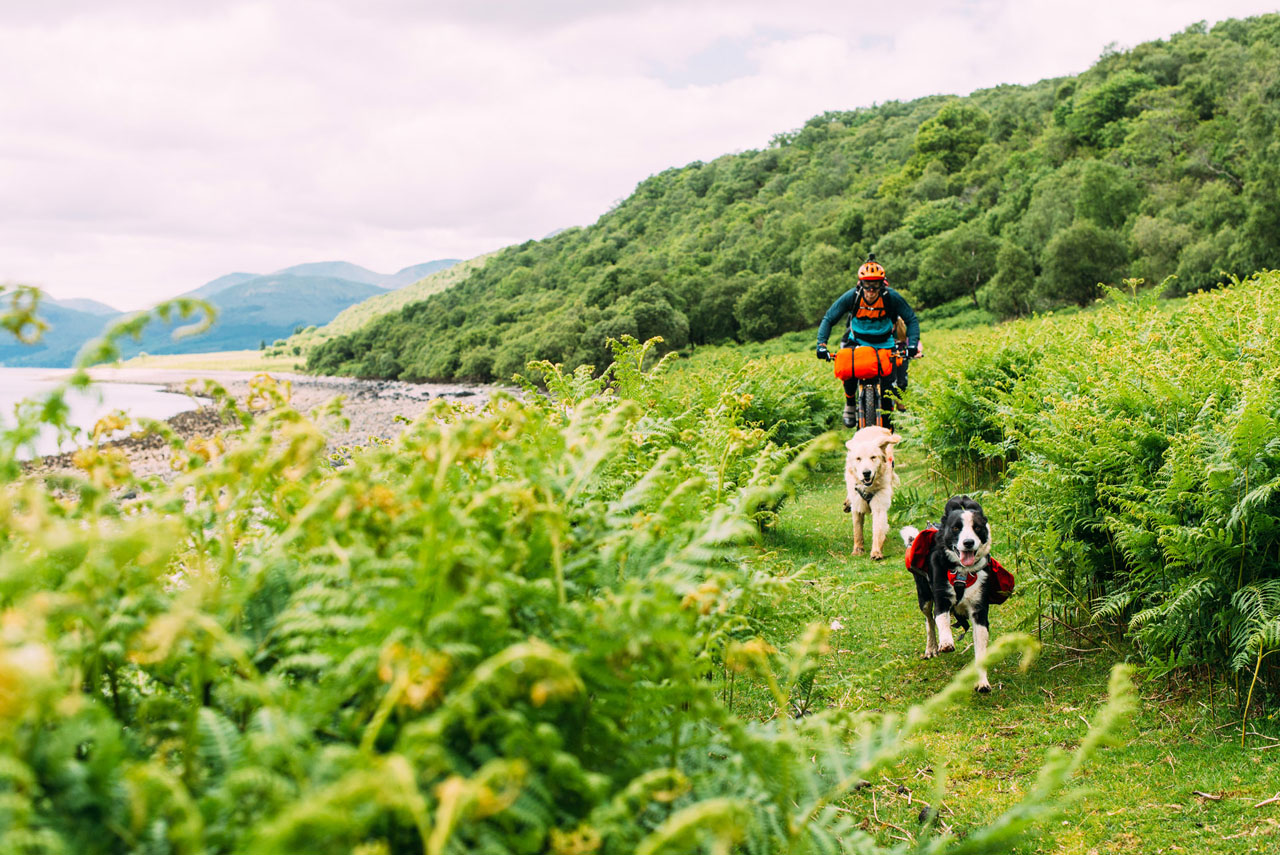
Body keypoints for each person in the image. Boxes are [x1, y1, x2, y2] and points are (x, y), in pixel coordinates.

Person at [816, 255, 921, 430]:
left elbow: (911, 319)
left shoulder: (891, 297)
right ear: (860, 283)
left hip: (885, 343)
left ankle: (887, 439)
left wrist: (912, 345)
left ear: (882, 284)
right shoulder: (852, 296)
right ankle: (850, 403)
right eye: (867, 285)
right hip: (858, 341)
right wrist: (821, 345)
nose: (871, 290)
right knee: (848, 367)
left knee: (888, 393)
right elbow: (829, 318)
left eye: (875, 285)